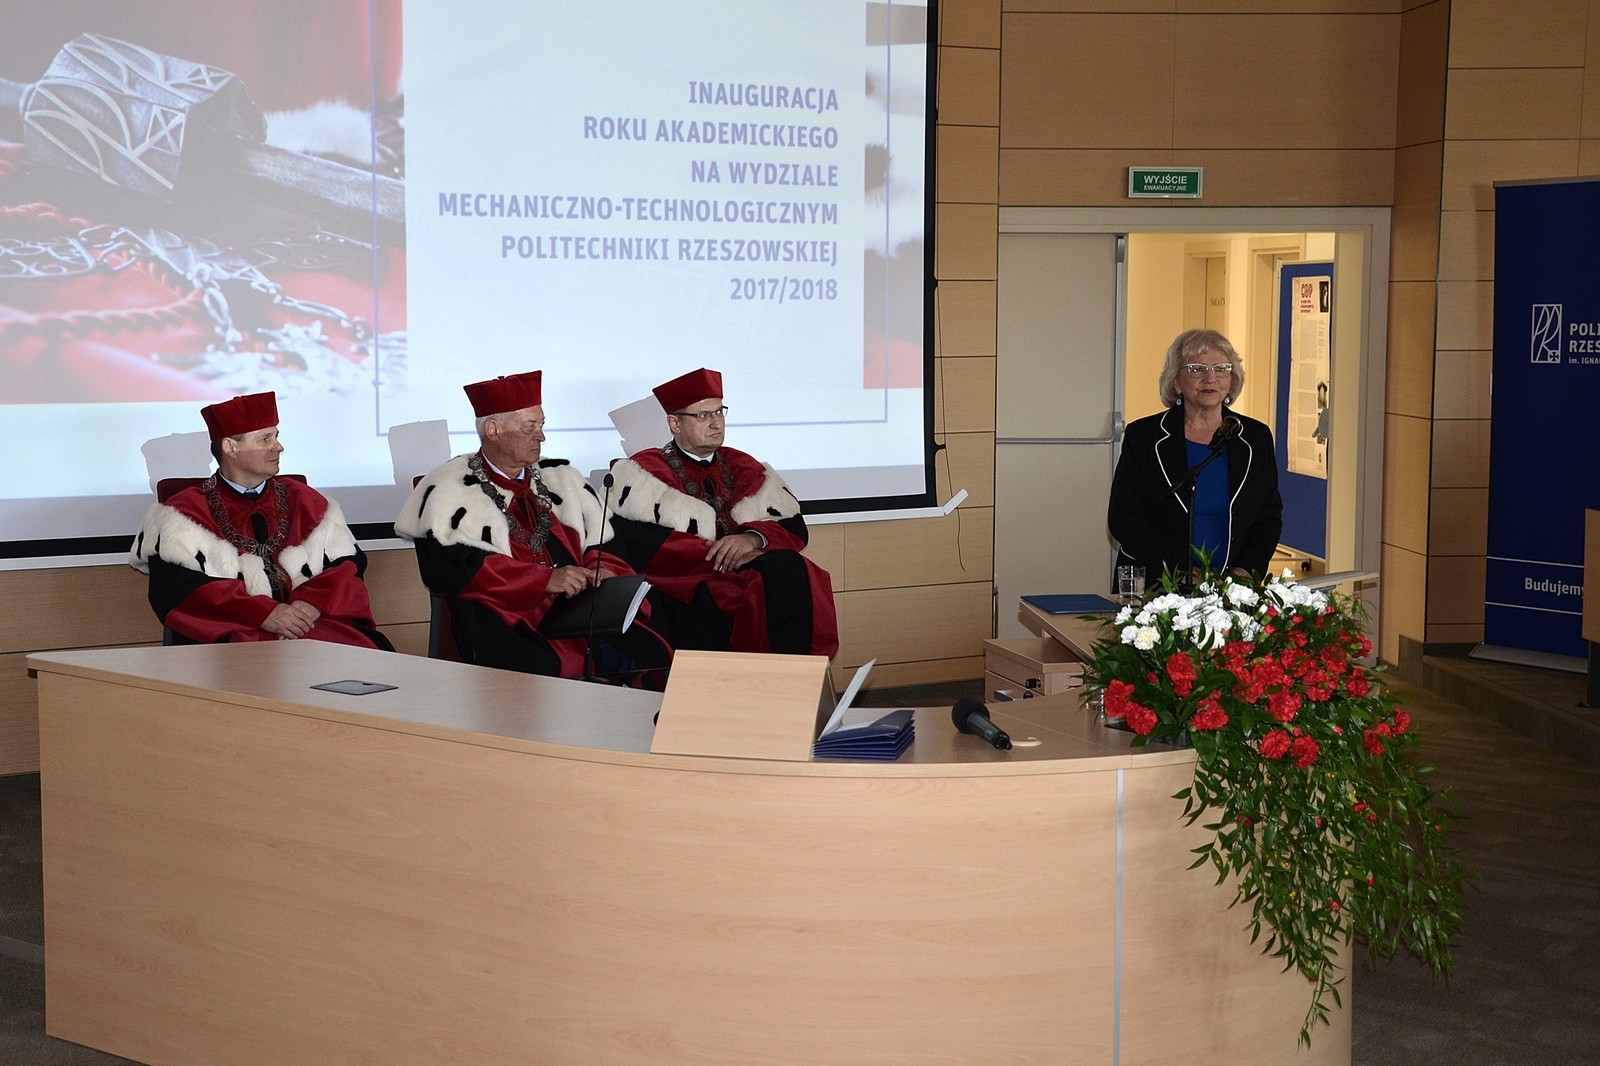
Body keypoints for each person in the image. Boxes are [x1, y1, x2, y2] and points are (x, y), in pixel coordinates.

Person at [395, 371, 670, 684]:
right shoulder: (448, 489)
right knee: (546, 667)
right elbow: (453, 570)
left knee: (651, 649)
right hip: (507, 617)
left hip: (578, 610)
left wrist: (599, 569)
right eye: (529, 427)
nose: (541, 436)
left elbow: (602, 542)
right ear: (493, 429)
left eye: (541, 425)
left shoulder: (561, 479)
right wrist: (542, 581)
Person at [604, 367, 839, 658]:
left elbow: (794, 527)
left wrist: (752, 540)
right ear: (675, 423)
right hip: (685, 588)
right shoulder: (643, 472)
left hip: (752, 576)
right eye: (703, 415)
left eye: (719, 412)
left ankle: (792, 675)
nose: (716, 423)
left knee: (792, 569)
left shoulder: (744, 464)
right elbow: (640, 544)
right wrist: (726, 556)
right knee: (776, 576)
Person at [129, 390, 393, 648]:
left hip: (310, 626)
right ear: (230, 447)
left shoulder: (305, 500)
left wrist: (313, 602)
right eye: (265, 439)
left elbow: (348, 563)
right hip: (235, 634)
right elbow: (178, 591)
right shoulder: (182, 513)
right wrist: (264, 613)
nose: (278, 447)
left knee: (366, 655)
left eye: (276, 436)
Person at [1108, 329, 1283, 582]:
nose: (1210, 378)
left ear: (1232, 379)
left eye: (1221, 369)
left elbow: (1268, 515)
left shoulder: (1256, 437)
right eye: (1196, 369)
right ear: (1176, 381)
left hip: (1231, 586)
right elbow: (1124, 517)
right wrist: (1183, 572)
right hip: (1158, 581)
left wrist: (1245, 571)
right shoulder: (1144, 436)